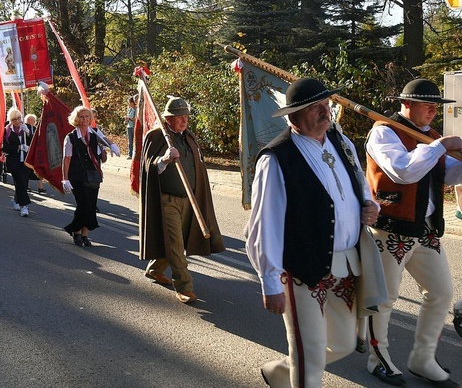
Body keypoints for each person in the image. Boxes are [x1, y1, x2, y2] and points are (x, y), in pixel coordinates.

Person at [245, 78, 381, 387]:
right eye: (314, 107)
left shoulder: (341, 141)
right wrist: (270, 281)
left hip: (346, 265)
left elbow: (360, 185)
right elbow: (264, 225)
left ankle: (279, 372)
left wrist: (371, 205)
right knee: (310, 357)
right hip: (301, 270)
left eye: (326, 104)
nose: (324, 112)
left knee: (346, 343)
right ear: (293, 116)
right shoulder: (277, 158)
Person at [364, 78, 462, 387]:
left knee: (442, 293)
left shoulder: (431, 137)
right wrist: (441, 145)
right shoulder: (384, 132)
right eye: (427, 105)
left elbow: (446, 174)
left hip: (426, 231)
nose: (434, 111)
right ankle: (377, 358)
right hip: (390, 229)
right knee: (384, 298)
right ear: (407, 104)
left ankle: (423, 358)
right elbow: (403, 170)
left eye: (437, 106)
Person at [139, 96, 225, 303]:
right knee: (176, 244)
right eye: (179, 117)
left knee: (174, 241)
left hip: (190, 199)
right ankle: (184, 286)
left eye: (186, 117)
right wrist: (164, 160)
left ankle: (154, 269)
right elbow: (147, 168)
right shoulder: (157, 136)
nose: (184, 121)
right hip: (167, 200)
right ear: (168, 118)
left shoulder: (189, 137)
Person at [61, 106, 107, 247]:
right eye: (81, 116)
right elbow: (66, 159)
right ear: (76, 119)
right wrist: (65, 178)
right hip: (77, 176)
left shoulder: (96, 134)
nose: (85, 119)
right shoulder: (71, 137)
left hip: (93, 175)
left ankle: (85, 235)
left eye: (87, 116)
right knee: (83, 205)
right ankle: (75, 231)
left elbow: (104, 151)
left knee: (91, 206)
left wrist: (106, 148)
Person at [1, 107, 33, 217]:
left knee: (23, 182)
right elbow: (4, 147)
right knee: (19, 181)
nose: (17, 121)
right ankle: (24, 206)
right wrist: (19, 147)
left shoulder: (27, 128)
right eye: (14, 119)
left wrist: (28, 133)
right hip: (14, 161)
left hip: (25, 160)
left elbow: (34, 142)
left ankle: (15, 200)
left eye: (19, 118)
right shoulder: (7, 130)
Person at [24, 113, 46, 194]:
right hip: (27, 150)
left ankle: (40, 187)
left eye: (32, 120)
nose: (30, 121)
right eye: (28, 120)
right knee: (27, 168)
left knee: (38, 168)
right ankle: (27, 186)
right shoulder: (24, 128)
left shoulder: (36, 129)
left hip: (36, 151)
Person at [126, 95, 137, 159]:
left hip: (134, 126)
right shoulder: (129, 109)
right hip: (129, 126)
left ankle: (135, 154)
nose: (129, 104)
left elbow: (135, 118)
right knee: (130, 142)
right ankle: (130, 154)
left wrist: (130, 118)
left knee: (135, 141)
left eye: (130, 102)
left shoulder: (136, 109)